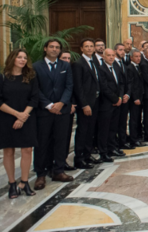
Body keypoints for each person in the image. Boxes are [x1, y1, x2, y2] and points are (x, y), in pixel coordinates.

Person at [0, 49, 39, 199]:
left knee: (27, 150)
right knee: (9, 151)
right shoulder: (1, 78)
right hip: (7, 119)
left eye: (25, 57)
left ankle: (24, 182)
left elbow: (34, 98)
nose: (23, 60)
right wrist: (17, 115)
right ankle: (12, 183)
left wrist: (23, 115)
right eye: (19, 57)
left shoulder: (30, 77)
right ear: (12, 59)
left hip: (27, 116)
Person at [32, 40, 74, 190]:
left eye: (57, 48)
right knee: (42, 143)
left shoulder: (65, 66)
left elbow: (69, 86)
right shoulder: (36, 66)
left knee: (61, 141)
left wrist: (61, 103)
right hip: (44, 111)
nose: (54, 49)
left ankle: (58, 171)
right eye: (52, 47)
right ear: (45, 48)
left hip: (62, 110)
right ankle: (41, 174)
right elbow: (35, 89)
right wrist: (49, 105)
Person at [72, 38, 102, 168]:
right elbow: (78, 86)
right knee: (83, 130)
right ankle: (79, 158)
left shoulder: (93, 61)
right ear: (81, 48)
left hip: (95, 101)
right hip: (86, 104)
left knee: (91, 130)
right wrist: (84, 104)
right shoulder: (78, 63)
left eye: (91, 46)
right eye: (87, 46)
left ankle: (87, 154)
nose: (89, 48)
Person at [97, 49, 125, 162]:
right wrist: (115, 98)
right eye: (108, 55)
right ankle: (103, 152)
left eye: (113, 55)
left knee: (113, 127)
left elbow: (121, 83)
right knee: (104, 129)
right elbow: (104, 87)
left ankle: (112, 148)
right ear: (103, 56)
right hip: (106, 103)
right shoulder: (100, 69)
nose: (111, 57)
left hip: (117, 102)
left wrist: (120, 97)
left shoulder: (116, 66)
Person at [58, 50, 77, 171]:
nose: (67, 61)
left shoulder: (71, 70)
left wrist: (73, 103)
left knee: (65, 136)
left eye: (68, 58)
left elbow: (73, 88)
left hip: (68, 107)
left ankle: (63, 160)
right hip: (53, 107)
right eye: (64, 58)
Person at [113, 43, 132, 150]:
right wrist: (120, 96)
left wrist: (128, 94)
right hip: (116, 98)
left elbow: (128, 82)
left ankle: (122, 141)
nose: (122, 52)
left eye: (123, 50)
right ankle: (115, 143)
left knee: (123, 121)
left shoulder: (124, 64)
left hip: (125, 98)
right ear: (115, 51)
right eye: (120, 50)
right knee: (115, 123)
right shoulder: (112, 64)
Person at [127, 49, 145, 147]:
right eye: (136, 56)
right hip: (135, 99)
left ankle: (138, 137)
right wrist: (135, 98)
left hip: (140, 97)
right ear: (131, 57)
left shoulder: (138, 67)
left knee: (138, 118)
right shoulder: (130, 68)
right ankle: (133, 139)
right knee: (134, 119)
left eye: (139, 56)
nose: (138, 58)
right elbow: (131, 85)